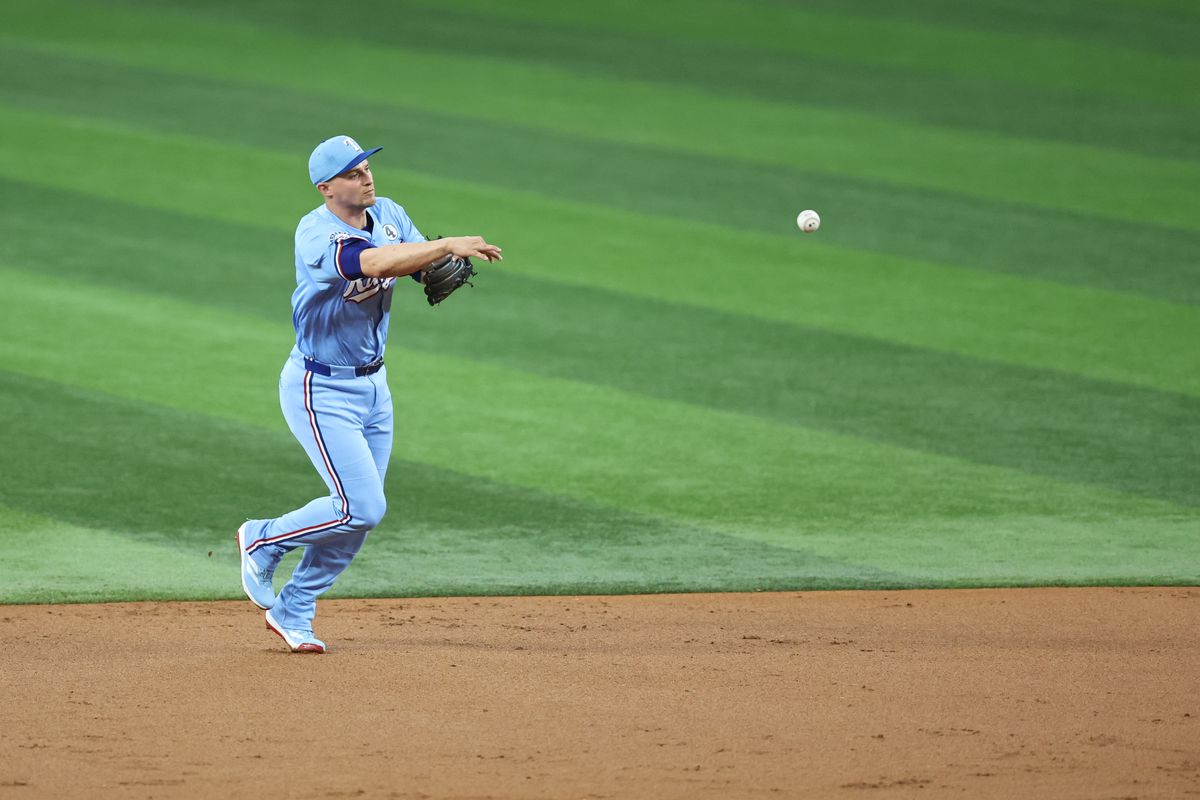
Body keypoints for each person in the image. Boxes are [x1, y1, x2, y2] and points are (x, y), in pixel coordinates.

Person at [236, 135, 502, 653]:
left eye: (366, 167)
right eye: (353, 173)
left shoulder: (391, 213)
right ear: (327, 187)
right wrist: (447, 245)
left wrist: (433, 261)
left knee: (357, 515)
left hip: (374, 387)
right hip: (320, 388)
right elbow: (375, 264)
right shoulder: (315, 234)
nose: (366, 177)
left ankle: (295, 608)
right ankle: (262, 538)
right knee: (362, 506)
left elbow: (411, 258)